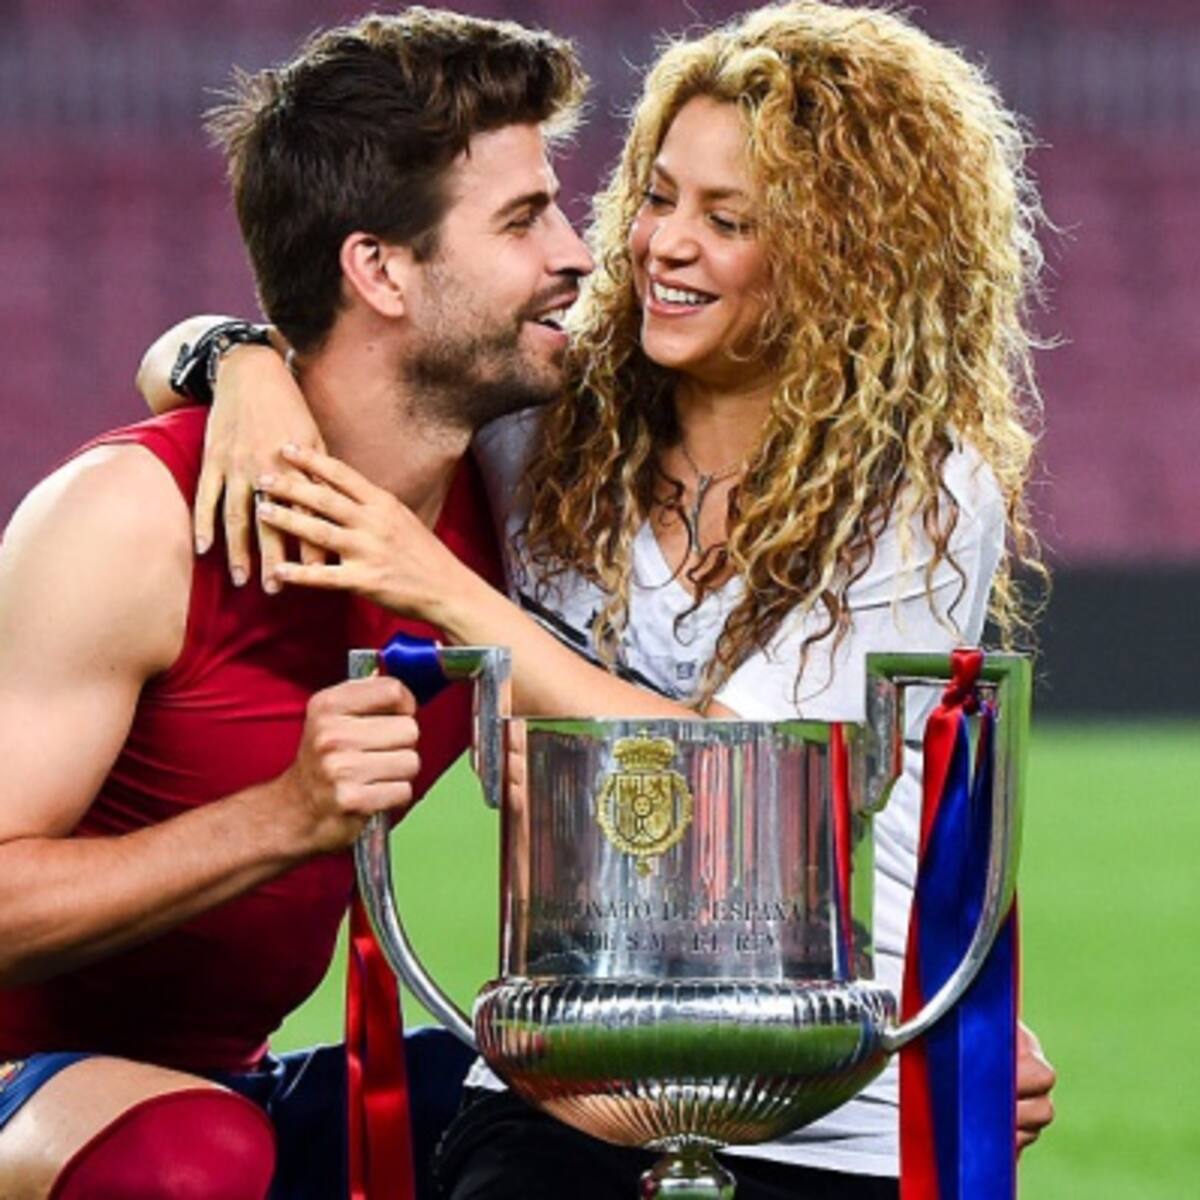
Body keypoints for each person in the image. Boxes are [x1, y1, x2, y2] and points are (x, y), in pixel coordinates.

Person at [139, 4, 1058, 1197]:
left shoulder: (921, 487)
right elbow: (313, 353)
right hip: (563, 1088)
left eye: (728, 220)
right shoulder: (553, 420)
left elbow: (744, 789)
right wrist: (241, 360)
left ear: (848, 256)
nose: (663, 243)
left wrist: (436, 586)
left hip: (837, 1111)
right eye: (658, 196)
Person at [0, 9, 592, 1199]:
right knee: (191, 1167)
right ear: (379, 270)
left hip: (238, 1083)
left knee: (595, 1107)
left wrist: (229, 350)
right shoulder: (130, 519)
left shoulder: (512, 488)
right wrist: (284, 816)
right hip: (35, 1090)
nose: (574, 253)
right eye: (524, 219)